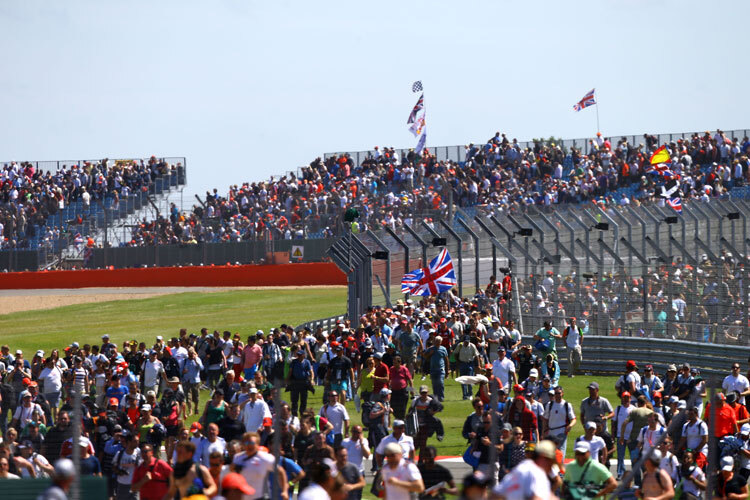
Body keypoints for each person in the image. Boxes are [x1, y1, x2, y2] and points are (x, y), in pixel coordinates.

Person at [232, 432, 286, 500]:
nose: (249, 446)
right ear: (243, 445)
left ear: (257, 444)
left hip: (259, 497)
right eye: (246, 443)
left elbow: (281, 472)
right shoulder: (237, 458)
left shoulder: (266, 458)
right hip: (242, 497)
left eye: (252, 443)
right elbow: (232, 473)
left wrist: (284, 491)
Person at [543, 386, 576, 456]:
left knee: (560, 453)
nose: (557, 395)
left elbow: (573, 419)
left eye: (559, 393)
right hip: (551, 432)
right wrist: (544, 431)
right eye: (556, 393)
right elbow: (545, 419)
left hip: (562, 432)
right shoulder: (550, 405)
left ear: (562, 393)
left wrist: (570, 426)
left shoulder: (567, 405)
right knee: (550, 453)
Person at [113, 432, 142, 500]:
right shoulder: (120, 454)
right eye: (135, 441)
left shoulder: (139, 453)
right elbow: (114, 466)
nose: (137, 443)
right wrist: (120, 472)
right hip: (122, 484)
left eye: (138, 441)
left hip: (134, 485)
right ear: (129, 442)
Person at [287, 349, 314, 417]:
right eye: (298, 355)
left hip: (304, 382)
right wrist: (288, 380)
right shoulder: (294, 362)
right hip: (295, 382)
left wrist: (312, 379)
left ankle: (302, 413)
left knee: (303, 400)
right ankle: (294, 414)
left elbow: (311, 371)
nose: (298, 356)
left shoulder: (307, 362)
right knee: (294, 400)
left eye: (300, 355)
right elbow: (290, 371)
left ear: (303, 355)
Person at [455, 335, 480, 400]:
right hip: (462, 363)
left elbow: (477, 356)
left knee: (470, 379)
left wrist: (478, 365)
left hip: (470, 364)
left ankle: (470, 394)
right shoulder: (460, 346)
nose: (466, 343)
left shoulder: (472, 346)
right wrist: (458, 362)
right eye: (465, 342)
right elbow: (455, 353)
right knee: (463, 380)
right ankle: (464, 395)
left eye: (468, 342)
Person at [388, 356, 412, 420]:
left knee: (402, 407)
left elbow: (410, 380)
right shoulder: (391, 369)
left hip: (403, 391)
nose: (394, 364)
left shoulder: (404, 369)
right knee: (393, 406)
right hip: (394, 391)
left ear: (399, 363)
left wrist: (411, 390)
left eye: (395, 363)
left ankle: (402, 420)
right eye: (393, 363)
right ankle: (397, 417)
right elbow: (389, 379)